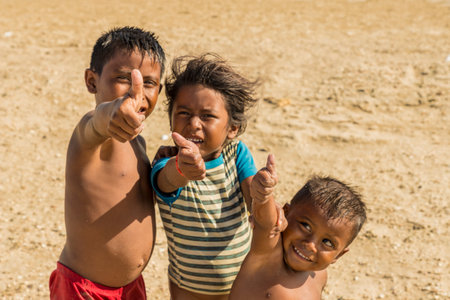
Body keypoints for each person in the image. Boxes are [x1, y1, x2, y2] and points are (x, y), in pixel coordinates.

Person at [49, 26, 166, 299]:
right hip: (85, 289)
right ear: (92, 81)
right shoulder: (88, 138)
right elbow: (98, 122)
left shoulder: (137, 141)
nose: (137, 92)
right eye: (123, 78)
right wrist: (111, 113)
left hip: (130, 288)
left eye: (149, 83)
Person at [150, 53, 277, 300]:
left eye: (207, 116)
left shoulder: (237, 154)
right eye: (183, 113)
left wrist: (262, 194)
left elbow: (254, 203)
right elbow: (165, 182)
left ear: (232, 128)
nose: (194, 124)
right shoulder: (166, 161)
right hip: (188, 290)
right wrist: (182, 170)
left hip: (242, 285)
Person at [230, 155, 367, 299]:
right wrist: (264, 196)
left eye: (327, 242)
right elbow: (266, 223)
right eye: (306, 226)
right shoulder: (268, 254)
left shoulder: (319, 276)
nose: (310, 245)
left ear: (338, 255)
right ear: (285, 213)